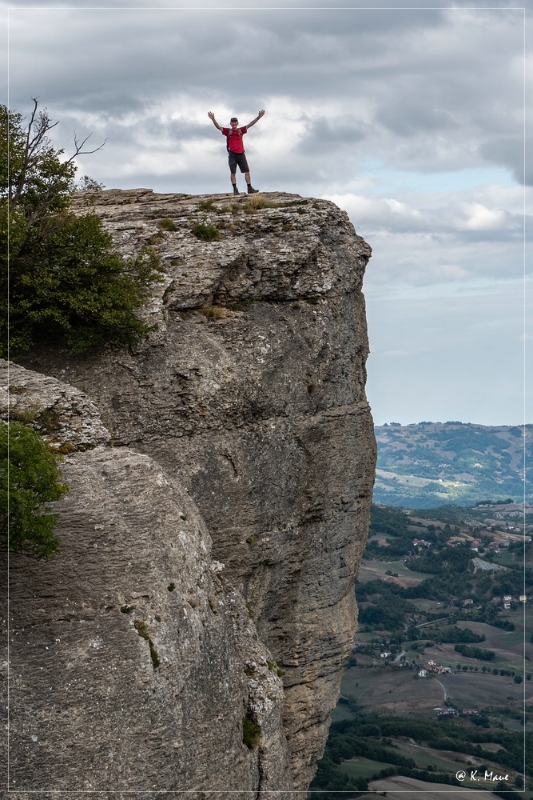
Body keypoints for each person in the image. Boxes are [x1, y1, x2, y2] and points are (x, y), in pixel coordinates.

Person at [208, 110, 265, 194]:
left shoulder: (240, 130)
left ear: (237, 123)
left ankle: (249, 188)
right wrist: (213, 119)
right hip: (232, 154)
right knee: (233, 172)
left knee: (247, 171)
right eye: (232, 122)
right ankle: (235, 189)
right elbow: (218, 127)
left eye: (235, 122)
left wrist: (258, 117)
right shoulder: (228, 131)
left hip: (241, 153)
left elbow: (250, 124)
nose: (234, 124)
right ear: (230, 123)